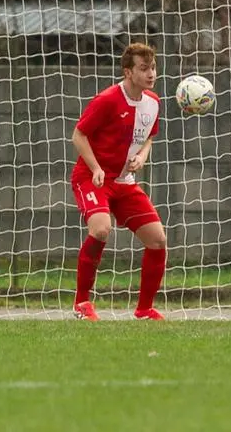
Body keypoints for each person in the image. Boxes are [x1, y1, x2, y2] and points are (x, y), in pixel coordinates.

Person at [70, 42, 166, 321]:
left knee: (157, 239)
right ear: (128, 72)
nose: (151, 74)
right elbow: (79, 135)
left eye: (153, 68)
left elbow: (149, 137)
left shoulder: (153, 103)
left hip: (124, 181)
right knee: (101, 229)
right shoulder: (107, 99)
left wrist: (143, 156)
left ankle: (144, 310)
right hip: (92, 178)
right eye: (144, 68)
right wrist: (96, 167)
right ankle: (81, 303)